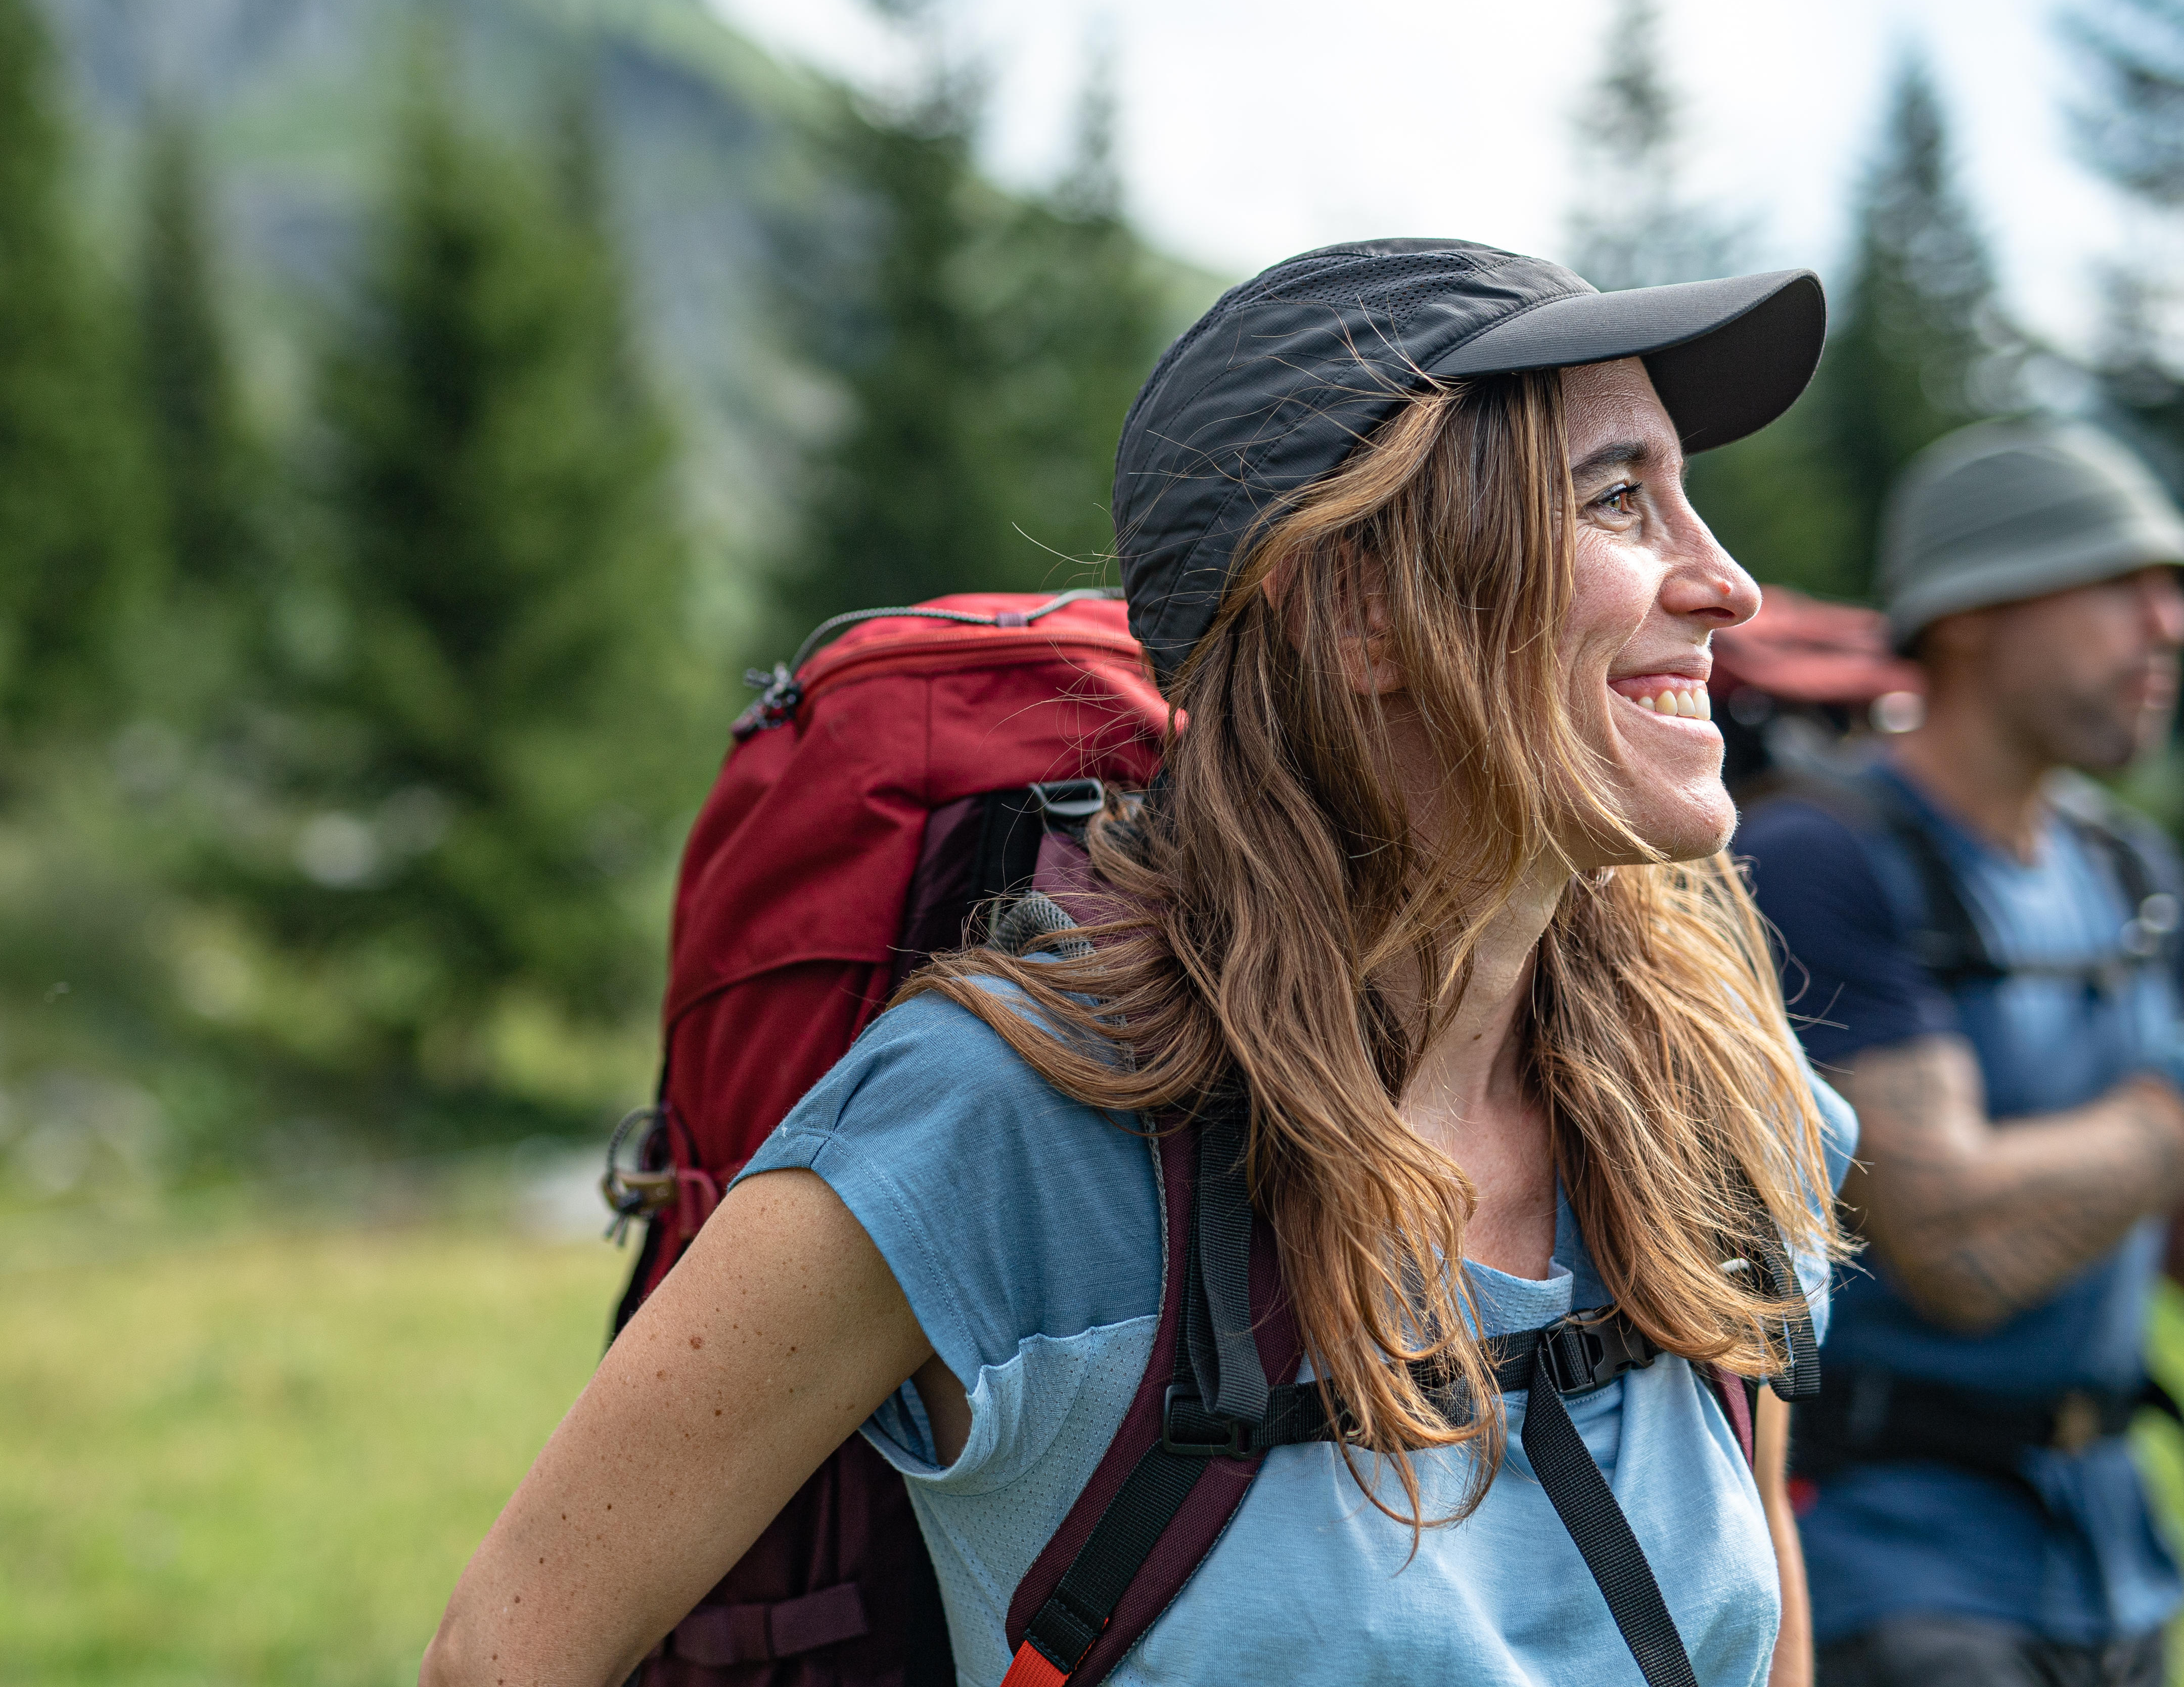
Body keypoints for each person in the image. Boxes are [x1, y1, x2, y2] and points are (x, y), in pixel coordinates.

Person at [425, 240, 1855, 1687]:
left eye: (1687, 496)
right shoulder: (999, 1130)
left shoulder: (1716, 1091)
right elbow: (506, 1652)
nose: (1729, 585)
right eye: (1618, 499)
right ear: (1358, 611)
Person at [1733, 421, 2184, 1687]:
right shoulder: (1825, 858)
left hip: (2112, 1559)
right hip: (1901, 1575)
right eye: (2123, 586)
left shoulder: (2128, 867)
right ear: (1975, 611)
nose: (2168, 627)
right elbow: (1959, 1253)